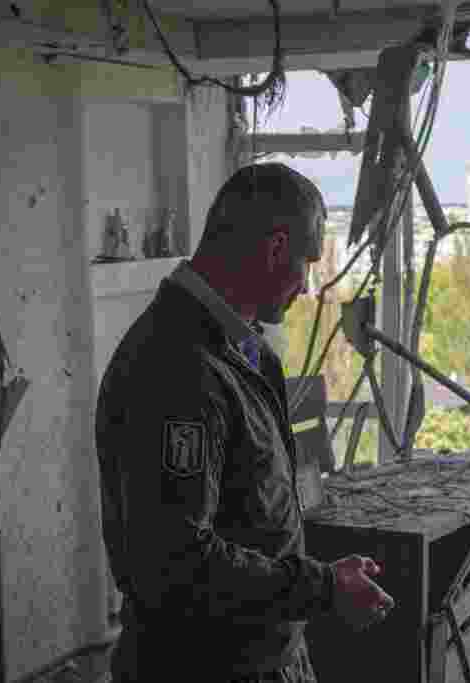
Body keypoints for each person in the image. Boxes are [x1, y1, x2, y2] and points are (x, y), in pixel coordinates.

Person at [96, 163, 395, 682]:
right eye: (304, 263)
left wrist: (316, 582)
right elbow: (175, 563)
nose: (304, 286)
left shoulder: (241, 350)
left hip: (261, 656)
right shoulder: (177, 368)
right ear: (275, 248)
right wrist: (322, 586)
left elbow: (248, 507)